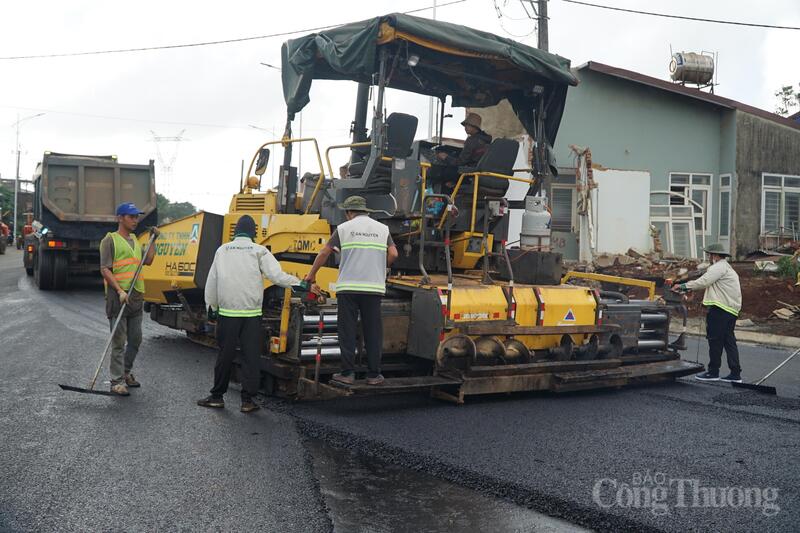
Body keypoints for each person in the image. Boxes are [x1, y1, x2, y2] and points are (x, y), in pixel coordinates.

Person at [197, 215, 302, 413]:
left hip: (228, 314)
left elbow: (212, 281)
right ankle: (247, 401)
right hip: (252, 315)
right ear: (254, 233)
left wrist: (211, 307)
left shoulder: (223, 250)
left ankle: (217, 397)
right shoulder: (259, 251)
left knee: (224, 356)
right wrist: (300, 284)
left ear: (236, 231)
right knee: (250, 357)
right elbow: (276, 276)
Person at [304, 196, 398, 386]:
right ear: (366, 211)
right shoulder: (382, 230)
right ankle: (373, 375)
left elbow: (324, 253)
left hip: (348, 288)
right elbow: (394, 254)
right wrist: (381, 267)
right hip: (373, 289)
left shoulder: (344, 229)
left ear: (349, 213)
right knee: (373, 332)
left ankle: (347, 373)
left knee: (347, 331)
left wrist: (311, 275)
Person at [99, 202, 158, 396]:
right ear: (120, 218)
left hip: (136, 295)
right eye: (131, 217)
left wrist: (153, 239)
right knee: (118, 340)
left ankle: (126, 372)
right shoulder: (110, 240)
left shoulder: (135, 239)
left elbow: (147, 261)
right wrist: (118, 290)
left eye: (136, 217)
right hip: (119, 297)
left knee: (136, 339)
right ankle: (116, 381)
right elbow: (105, 268)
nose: (135, 220)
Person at [673, 243, 743, 383]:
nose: (709, 257)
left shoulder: (718, 267)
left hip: (720, 309)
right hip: (731, 310)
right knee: (729, 341)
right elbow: (709, 284)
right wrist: (689, 289)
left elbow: (703, 282)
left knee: (715, 340)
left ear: (715, 255)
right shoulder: (727, 268)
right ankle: (735, 374)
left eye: (710, 255)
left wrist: (683, 286)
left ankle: (713, 372)